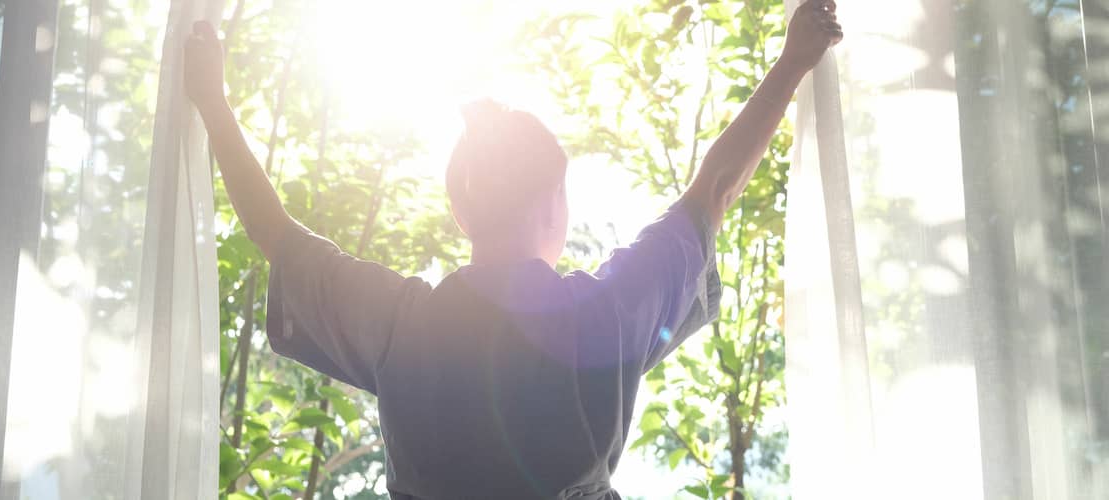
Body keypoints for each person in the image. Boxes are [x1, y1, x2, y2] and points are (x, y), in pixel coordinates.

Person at [185, 1, 841, 498]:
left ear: (459, 210)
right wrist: (791, 62)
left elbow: (276, 233)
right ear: (556, 204)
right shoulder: (607, 314)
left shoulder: (401, 325)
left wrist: (212, 102)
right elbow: (714, 191)